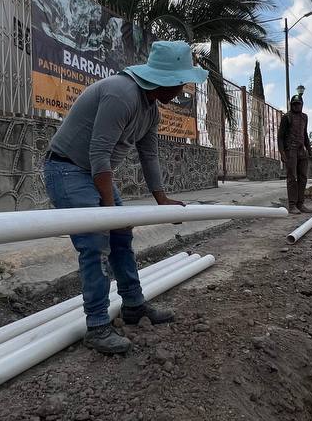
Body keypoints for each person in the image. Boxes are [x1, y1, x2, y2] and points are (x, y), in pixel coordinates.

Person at [43, 41, 206, 355]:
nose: (181, 90)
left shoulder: (150, 110)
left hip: (93, 171)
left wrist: (162, 200)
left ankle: (133, 306)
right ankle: (97, 325)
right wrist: (109, 209)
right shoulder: (122, 94)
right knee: (95, 243)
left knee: (121, 236)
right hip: (67, 169)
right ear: (164, 79)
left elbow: (149, 156)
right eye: (180, 83)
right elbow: (98, 153)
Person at [277, 94, 312, 215]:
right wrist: (282, 153)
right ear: (291, 105)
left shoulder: (304, 117)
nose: (296, 106)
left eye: (299, 104)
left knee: (303, 177)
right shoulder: (286, 117)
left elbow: (305, 134)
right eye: (294, 104)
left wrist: (309, 149)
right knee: (292, 177)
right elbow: (280, 137)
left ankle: (300, 204)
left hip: (302, 150)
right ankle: (292, 205)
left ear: (302, 105)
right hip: (290, 150)